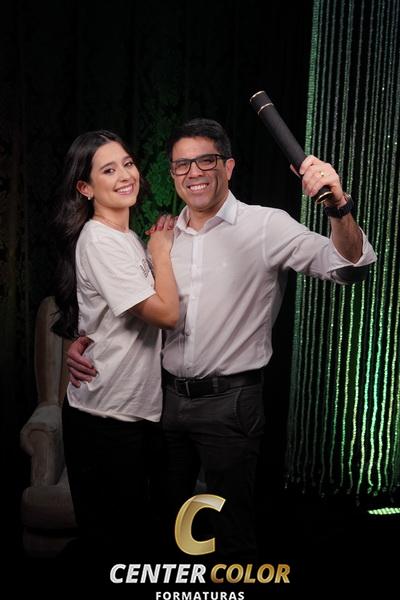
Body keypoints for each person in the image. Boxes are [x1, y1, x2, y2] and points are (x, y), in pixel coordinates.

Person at [66, 119, 376, 562]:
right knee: (167, 532)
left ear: (228, 167)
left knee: (231, 533)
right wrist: (81, 339)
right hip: (165, 404)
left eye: (206, 161)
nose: (194, 172)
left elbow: (349, 268)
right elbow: (113, 301)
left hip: (230, 404)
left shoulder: (266, 225)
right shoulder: (161, 235)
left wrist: (338, 205)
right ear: (172, 174)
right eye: (182, 164)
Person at [51, 130, 179, 560]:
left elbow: (104, 319)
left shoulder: (124, 238)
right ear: (85, 188)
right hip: (105, 417)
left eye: (127, 163)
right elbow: (166, 314)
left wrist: (152, 245)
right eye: (108, 170)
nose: (125, 175)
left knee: (135, 543)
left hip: (130, 411)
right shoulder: (100, 239)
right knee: (114, 550)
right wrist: (161, 251)